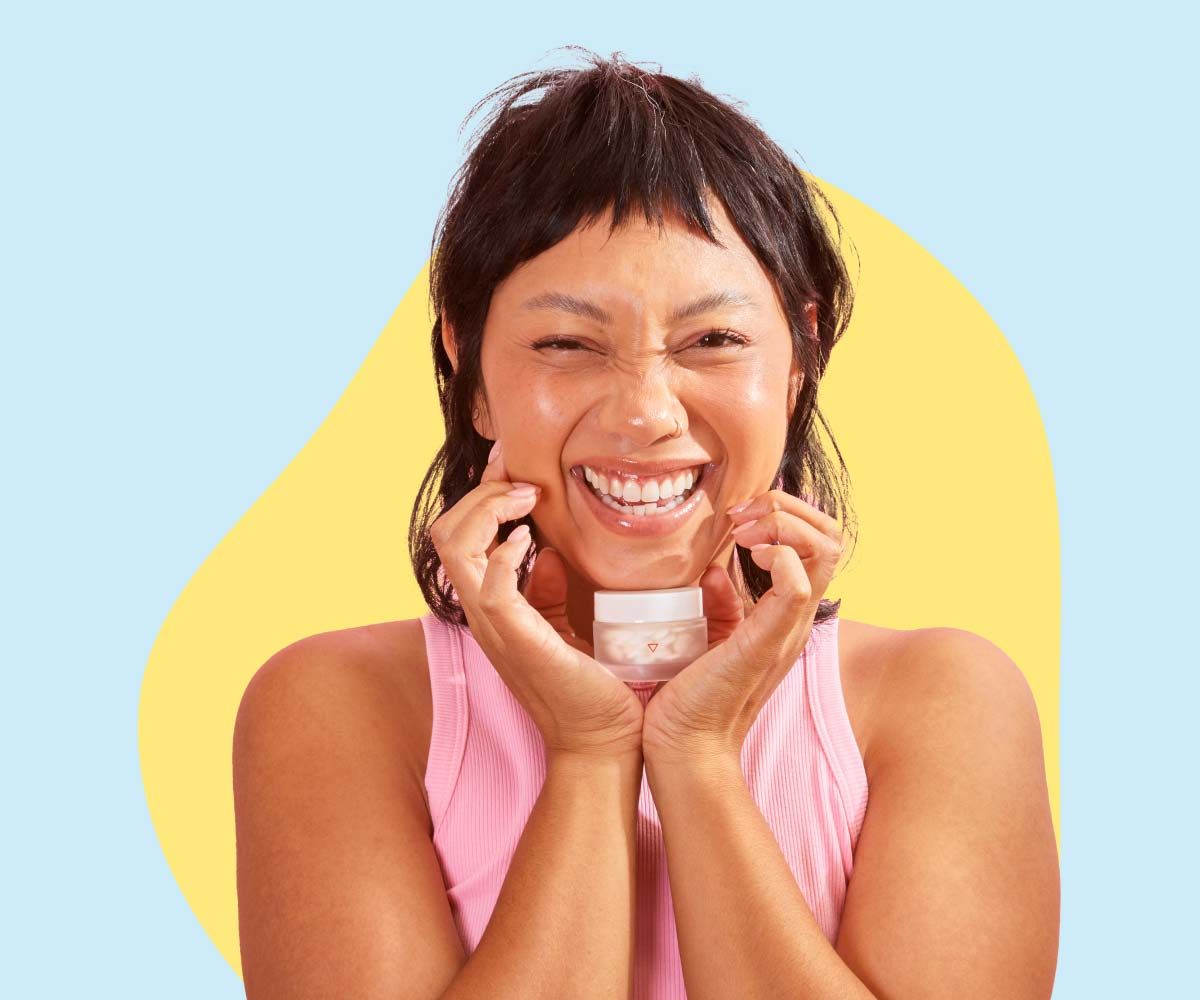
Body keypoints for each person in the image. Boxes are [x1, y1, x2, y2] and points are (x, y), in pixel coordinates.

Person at [232, 49, 1060, 1000]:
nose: (646, 413)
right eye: (567, 343)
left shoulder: (943, 702)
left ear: (799, 359)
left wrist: (697, 757)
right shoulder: (340, 706)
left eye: (713, 340)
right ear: (471, 368)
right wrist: (588, 754)